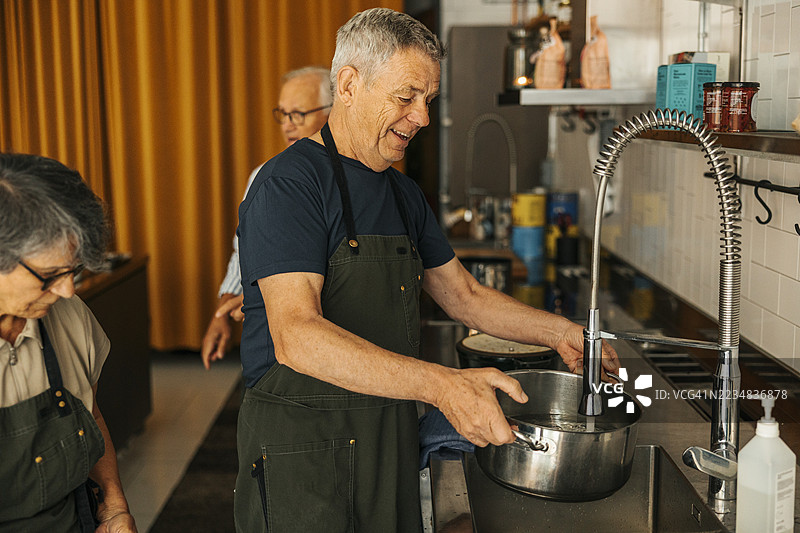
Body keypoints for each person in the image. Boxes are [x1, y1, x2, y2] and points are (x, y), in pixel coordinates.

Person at [234, 8, 619, 532]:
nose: (421, 117)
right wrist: (443, 386)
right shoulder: (288, 186)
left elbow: (464, 296)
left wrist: (563, 333)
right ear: (348, 84)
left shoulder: (402, 194)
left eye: (428, 101)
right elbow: (296, 336)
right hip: (304, 453)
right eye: (405, 97)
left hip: (387, 440)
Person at [0, 153, 137, 532]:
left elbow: (89, 413)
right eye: (49, 275)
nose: (66, 290)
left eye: (73, 270)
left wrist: (114, 507)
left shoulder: (68, 315)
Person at [200, 66, 332, 369]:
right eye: (283, 114)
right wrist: (220, 316)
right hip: (272, 345)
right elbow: (241, 253)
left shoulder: (354, 177)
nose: (287, 125)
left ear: (333, 110)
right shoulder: (263, 177)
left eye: (298, 114)